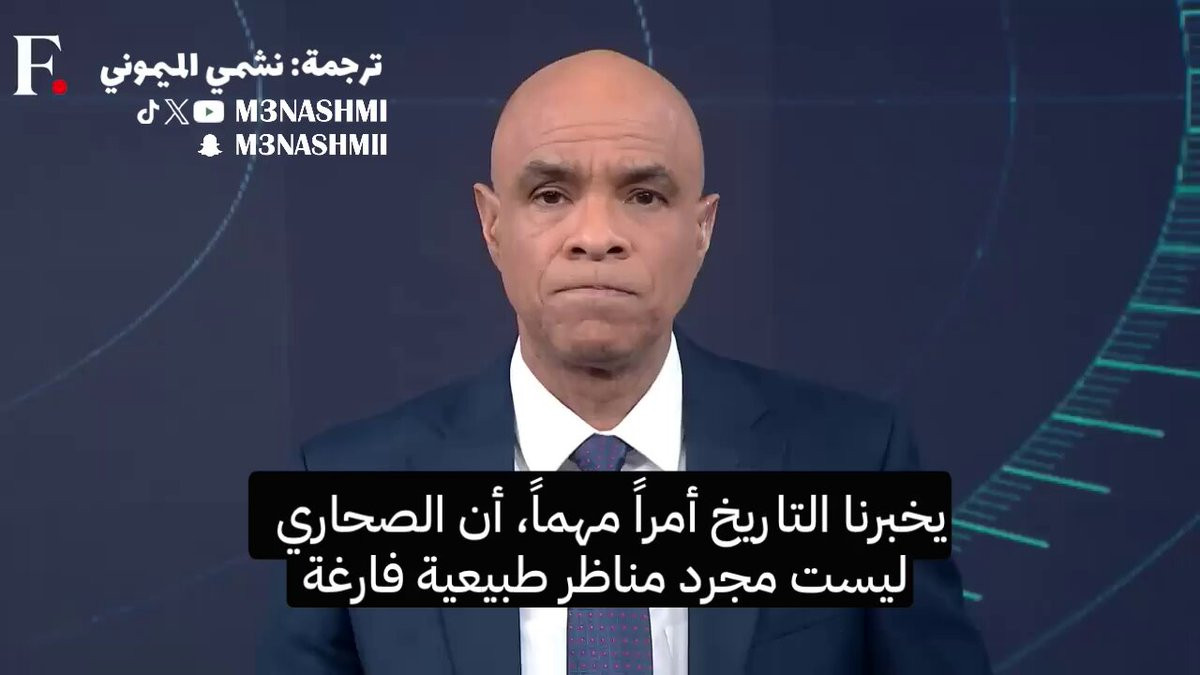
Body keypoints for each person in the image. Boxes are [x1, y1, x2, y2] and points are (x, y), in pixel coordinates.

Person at [258, 48, 993, 675]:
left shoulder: (855, 463)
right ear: (492, 225)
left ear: (701, 229)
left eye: (643, 195)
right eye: (551, 194)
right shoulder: (350, 490)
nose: (596, 235)